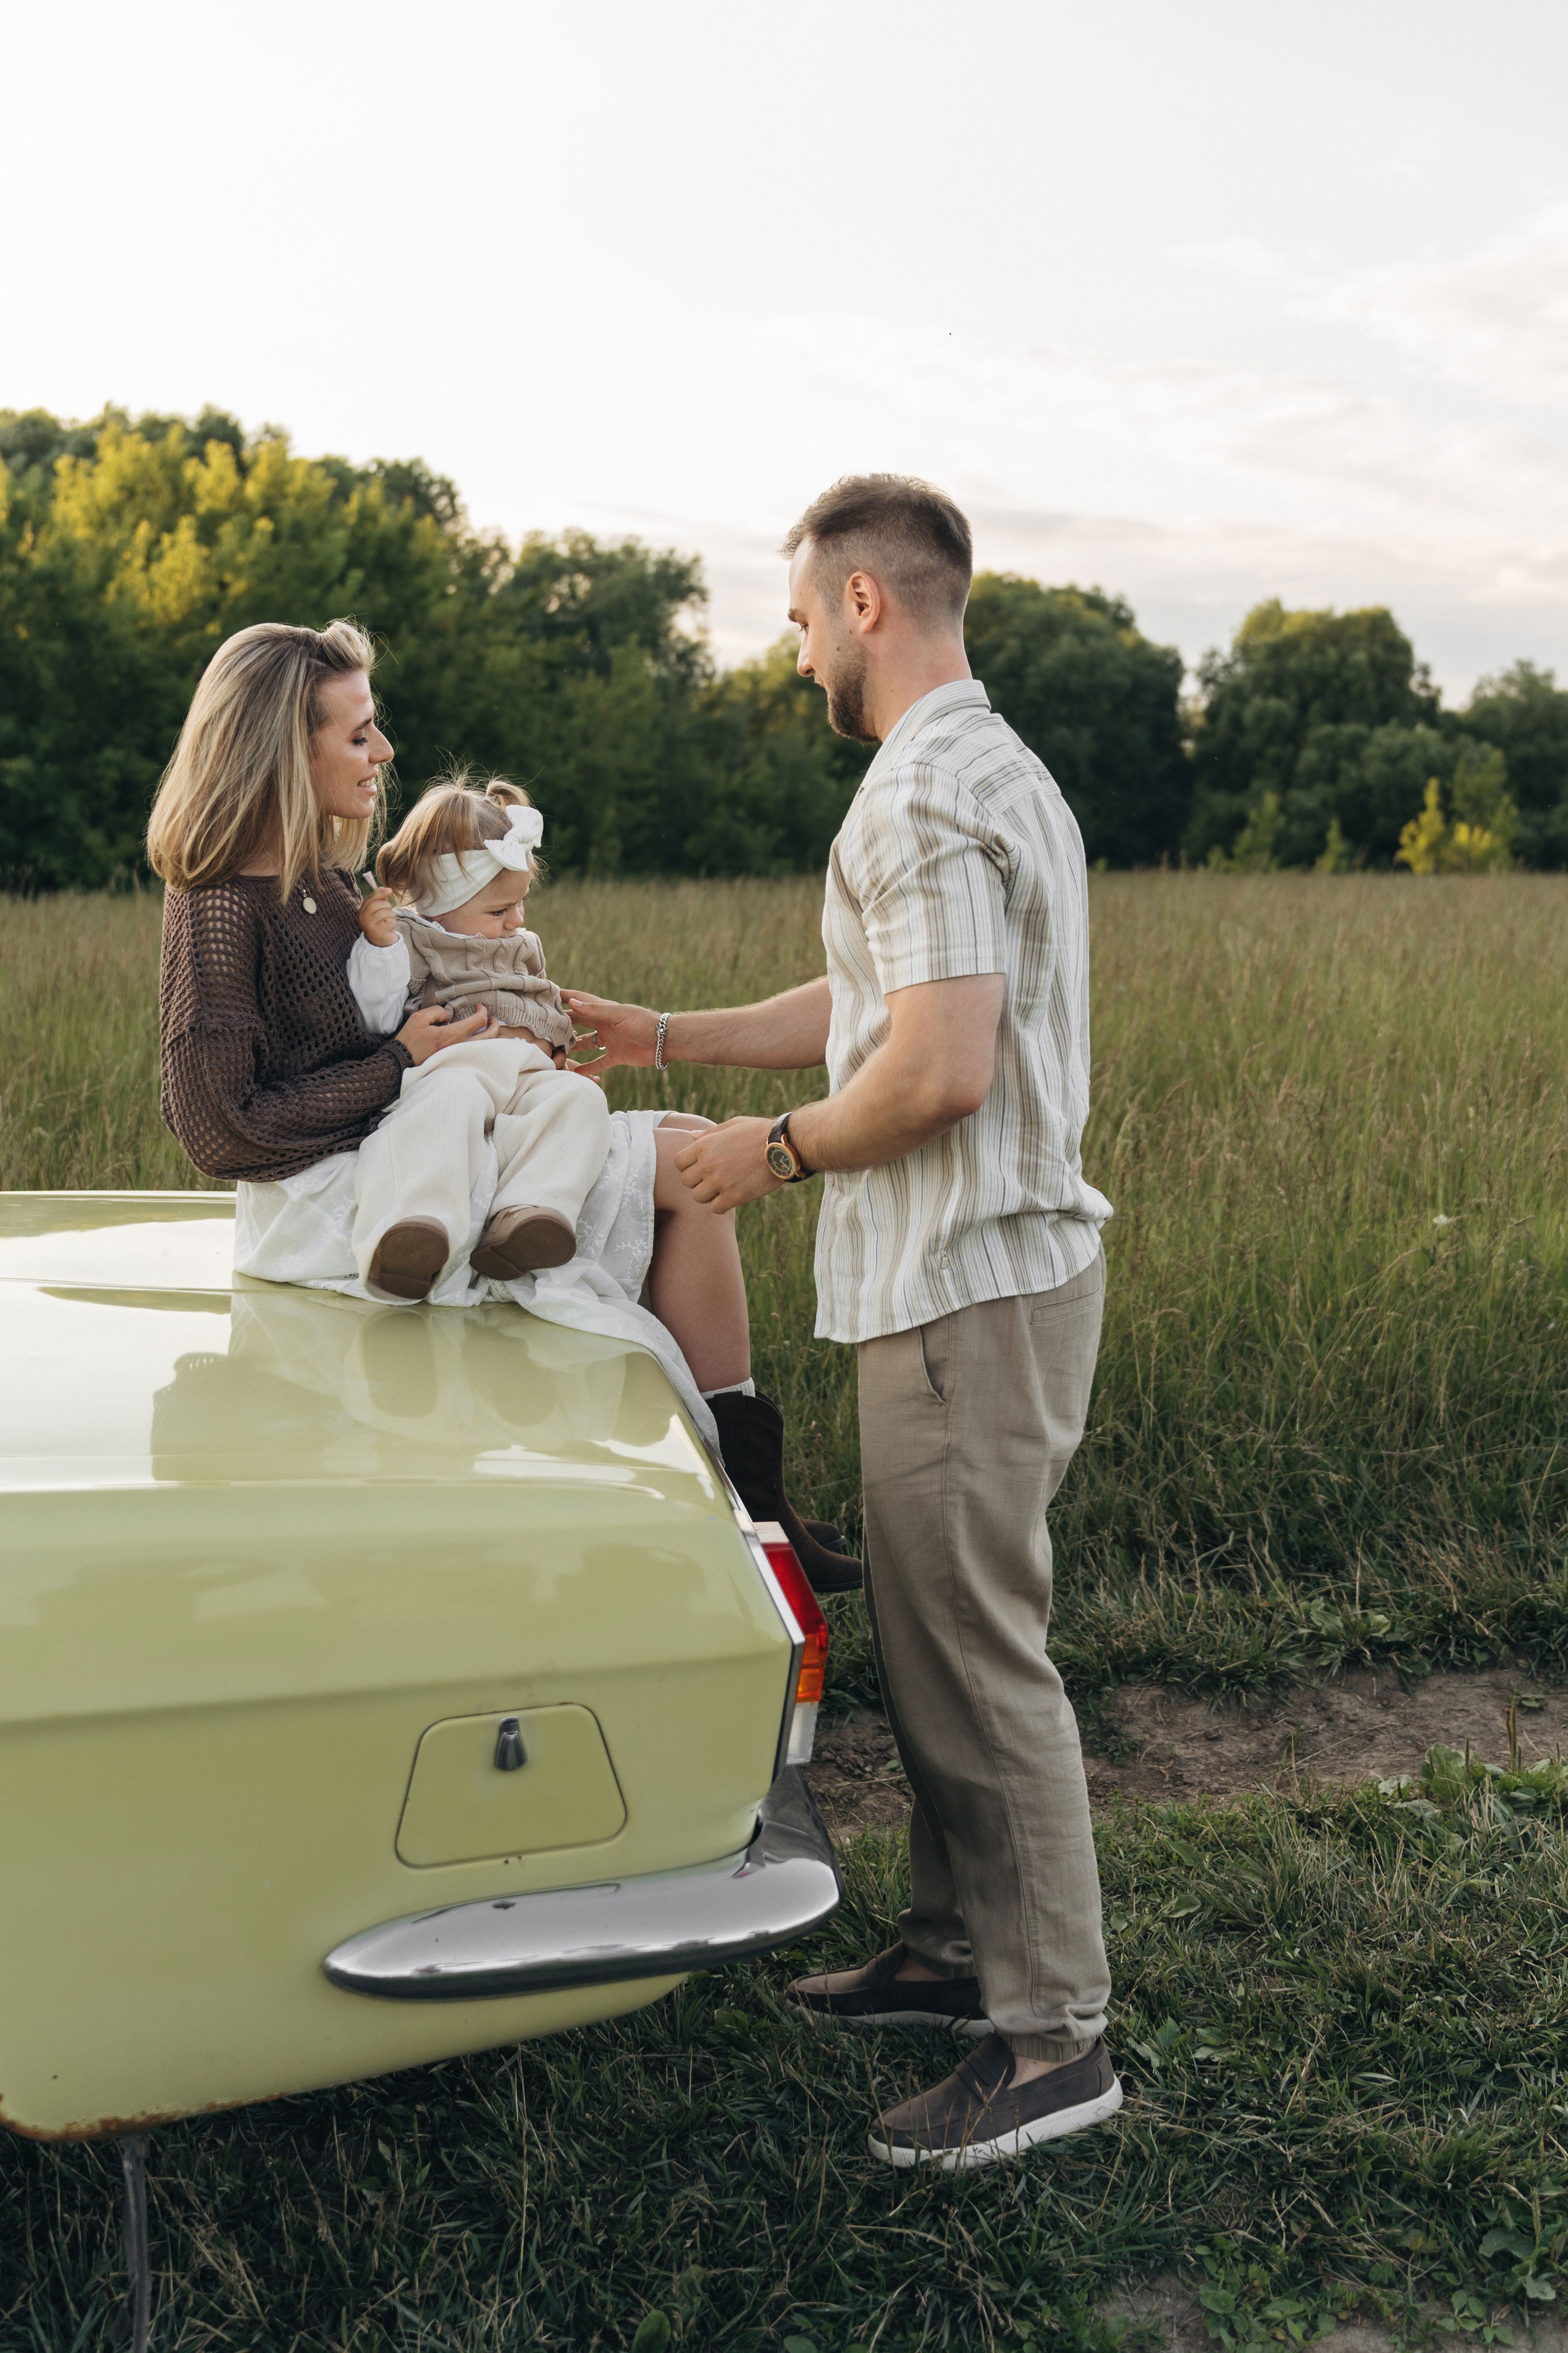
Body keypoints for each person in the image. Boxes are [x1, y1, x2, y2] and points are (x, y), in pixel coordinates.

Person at [567, 474, 1119, 2169]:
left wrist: (774, 1152)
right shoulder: (990, 765)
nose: (797, 644)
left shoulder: (917, 790)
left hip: (966, 1284)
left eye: (805, 613)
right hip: (989, 1280)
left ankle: (1054, 2042)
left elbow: (934, 1068)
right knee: (944, 1642)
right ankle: (953, 1954)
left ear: (867, 602)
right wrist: (663, 1034)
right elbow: (883, 997)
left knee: (977, 1658)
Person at [146, 619, 851, 1588]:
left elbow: (415, 1007)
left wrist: (515, 1051)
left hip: (412, 1134)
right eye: (357, 733)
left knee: (689, 1147)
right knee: (695, 1172)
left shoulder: (329, 880)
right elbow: (219, 1128)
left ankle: (753, 1494)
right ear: (283, 749)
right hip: (337, 1193)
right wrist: (402, 1062)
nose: (383, 751)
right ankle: (745, 1505)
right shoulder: (220, 904)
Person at [345, 771, 611, 1295]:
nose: (515, 920)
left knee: (582, 1100)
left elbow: (537, 997)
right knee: (447, 1105)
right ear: (438, 900)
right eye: (499, 910)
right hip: (458, 1065)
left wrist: (558, 1047)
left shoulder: (522, 943)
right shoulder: (411, 938)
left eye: (521, 903)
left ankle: (529, 1213)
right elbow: (375, 1013)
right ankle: (415, 1225)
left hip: (529, 1074)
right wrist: (378, 948)